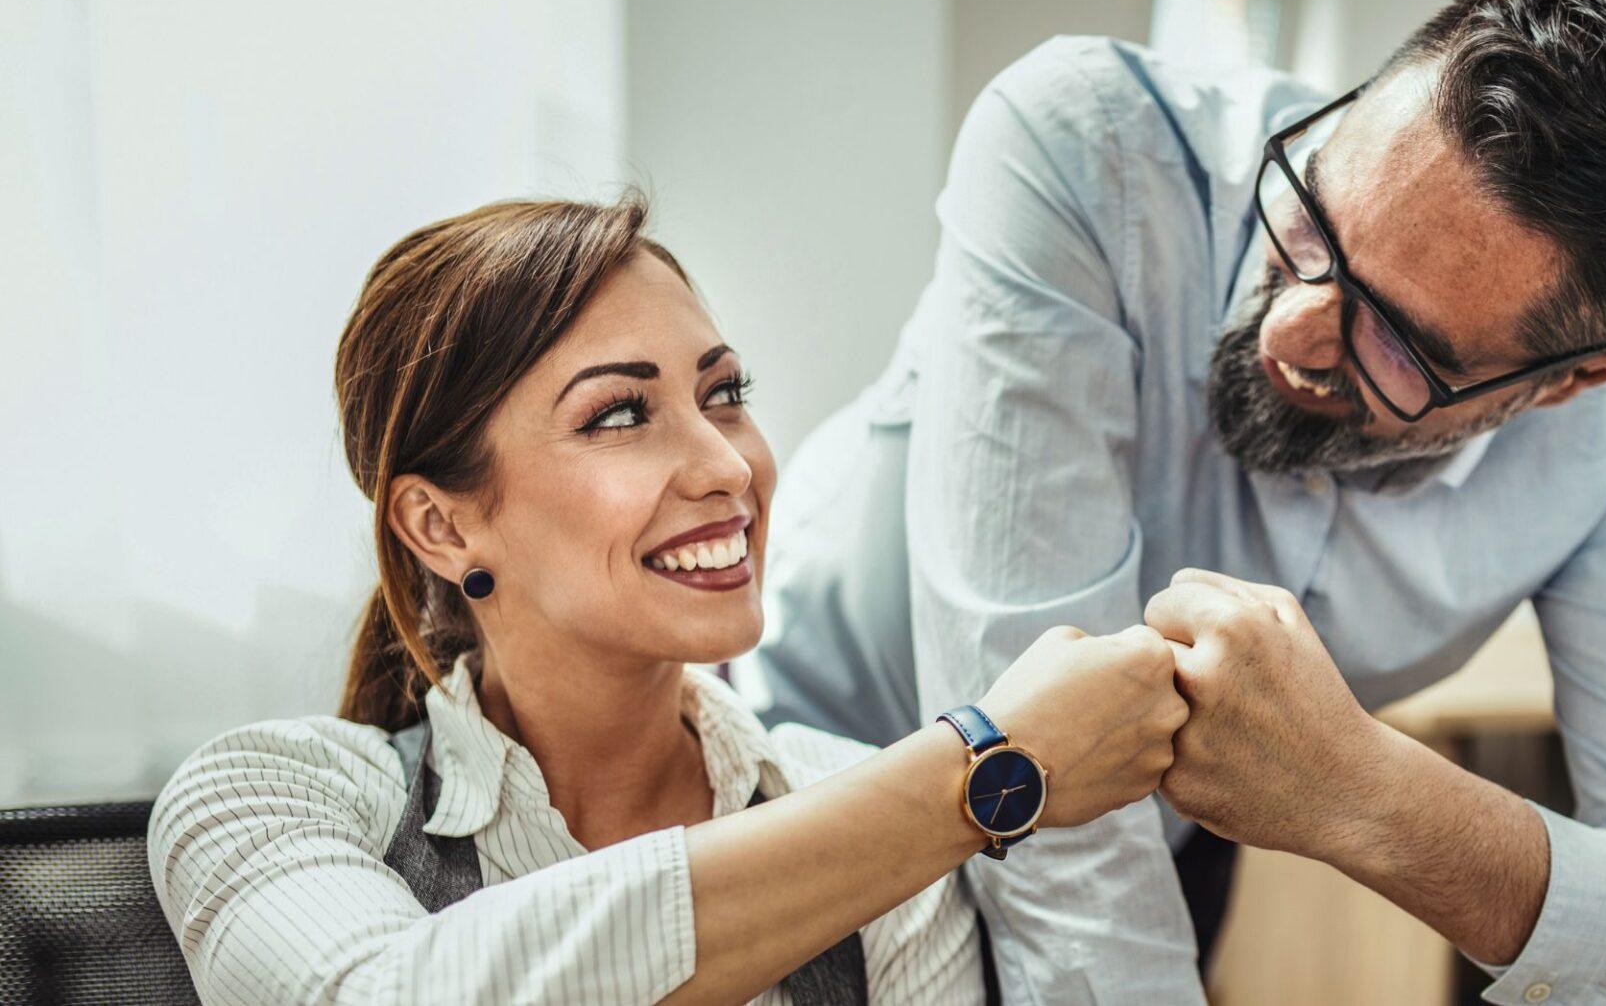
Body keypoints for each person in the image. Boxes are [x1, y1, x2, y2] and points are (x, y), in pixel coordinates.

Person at [750, 0, 1606, 1003]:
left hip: (1155, 850)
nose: (1292, 331)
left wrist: (1363, 792)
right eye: (1311, 218)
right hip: (795, 790)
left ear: (1575, 379)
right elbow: (1049, 797)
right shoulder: (1090, 151)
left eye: (1402, 342)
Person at [147, 196, 1189, 1005]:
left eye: (723, 393)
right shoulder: (266, 800)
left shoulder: (858, 799)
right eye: (619, 413)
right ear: (442, 525)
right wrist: (978, 772)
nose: (728, 466)